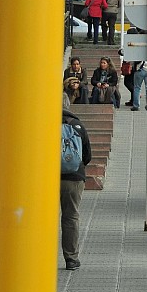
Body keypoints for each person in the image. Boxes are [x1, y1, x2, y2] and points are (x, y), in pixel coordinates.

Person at [61, 99, 92, 270]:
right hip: (74, 178)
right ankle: (71, 258)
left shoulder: (43, 123)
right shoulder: (78, 126)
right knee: (71, 217)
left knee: (43, 218)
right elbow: (87, 156)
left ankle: (41, 256)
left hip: (47, 179)